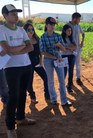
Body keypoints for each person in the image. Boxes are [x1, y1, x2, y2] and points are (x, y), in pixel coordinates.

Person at [0, 4, 36, 138]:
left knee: (22, 94)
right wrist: (20, 46)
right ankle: (10, 127)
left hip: (26, 65)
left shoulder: (21, 29)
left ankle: (21, 117)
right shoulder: (1, 29)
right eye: (12, 13)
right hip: (11, 68)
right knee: (13, 96)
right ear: (5, 15)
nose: (16, 15)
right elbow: (7, 49)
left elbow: (31, 47)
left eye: (16, 13)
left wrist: (14, 49)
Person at [40, 17, 72, 106]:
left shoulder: (58, 36)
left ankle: (64, 101)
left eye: (54, 25)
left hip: (59, 59)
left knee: (62, 80)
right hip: (48, 60)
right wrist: (54, 57)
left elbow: (64, 50)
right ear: (46, 25)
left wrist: (59, 45)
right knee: (50, 81)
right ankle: (53, 99)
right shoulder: (43, 37)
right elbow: (43, 51)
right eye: (51, 24)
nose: (53, 26)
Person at [23, 23, 50, 104]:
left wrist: (41, 61)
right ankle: (32, 96)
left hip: (37, 62)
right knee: (29, 81)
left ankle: (47, 94)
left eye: (32, 29)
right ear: (25, 31)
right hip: (28, 64)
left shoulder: (37, 39)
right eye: (29, 30)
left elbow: (40, 52)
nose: (31, 31)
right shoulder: (23, 41)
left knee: (46, 77)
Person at [67, 12, 85, 85]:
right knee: (70, 66)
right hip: (70, 50)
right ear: (74, 18)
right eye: (78, 19)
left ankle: (78, 78)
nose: (79, 20)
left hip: (78, 49)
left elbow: (83, 34)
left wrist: (82, 42)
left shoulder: (78, 26)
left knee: (78, 64)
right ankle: (70, 80)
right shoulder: (67, 26)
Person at [61, 24, 77, 92]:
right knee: (63, 72)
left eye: (70, 31)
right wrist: (70, 48)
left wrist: (67, 48)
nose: (70, 32)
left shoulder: (71, 38)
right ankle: (62, 86)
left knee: (71, 72)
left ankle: (69, 86)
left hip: (72, 56)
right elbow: (62, 49)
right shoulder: (61, 38)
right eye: (68, 31)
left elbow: (75, 47)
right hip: (64, 56)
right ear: (64, 31)